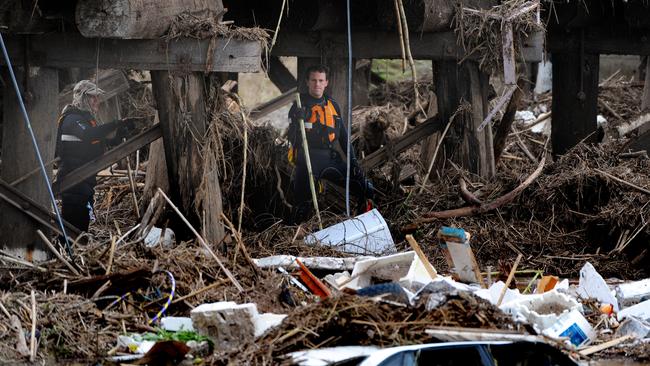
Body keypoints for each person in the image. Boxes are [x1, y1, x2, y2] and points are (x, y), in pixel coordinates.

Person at [287, 64, 373, 223]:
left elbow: (343, 137)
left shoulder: (333, 105)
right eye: (313, 80)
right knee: (300, 206)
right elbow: (291, 138)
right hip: (307, 161)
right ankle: (295, 237)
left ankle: (363, 220)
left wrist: (353, 164)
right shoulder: (299, 105)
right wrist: (297, 122)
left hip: (329, 159)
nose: (317, 84)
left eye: (320, 80)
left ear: (326, 82)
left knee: (364, 188)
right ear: (307, 82)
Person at [55, 80, 134, 232]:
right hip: (73, 181)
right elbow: (88, 135)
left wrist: (117, 137)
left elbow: (94, 144)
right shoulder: (72, 119)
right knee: (72, 230)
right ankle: (67, 252)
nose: (97, 101)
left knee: (81, 228)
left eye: (97, 97)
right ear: (83, 98)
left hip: (85, 182)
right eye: (93, 97)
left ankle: (76, 253)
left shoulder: (84, 120)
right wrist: (115, 123)